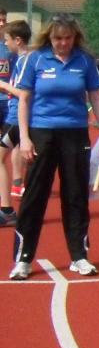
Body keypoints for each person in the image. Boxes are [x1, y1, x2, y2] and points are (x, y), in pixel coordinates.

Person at [9, 13, 99, 280]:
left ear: (75, 37)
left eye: (67, 38)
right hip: (42, 132)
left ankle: (79, 256)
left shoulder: (84, 60)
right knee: (34, 196)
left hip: (75, 134)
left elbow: (95, 98)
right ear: (49, 37)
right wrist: (25, 138)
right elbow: (23, 100)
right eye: (57, 38)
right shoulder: (35, 59)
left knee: (76, 195)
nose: (63, 43)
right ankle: (23, 259)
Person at [0, 20, 31, 227]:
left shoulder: (24, 61)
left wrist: (3, 85)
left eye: (7, 39)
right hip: (16, 116)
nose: (5, 43)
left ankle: (7, 210)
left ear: (17, 40)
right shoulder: (23, 59)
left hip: (16, 117)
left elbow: (24, 94)